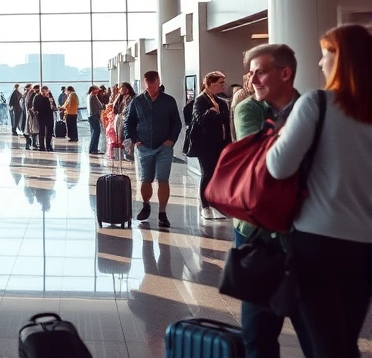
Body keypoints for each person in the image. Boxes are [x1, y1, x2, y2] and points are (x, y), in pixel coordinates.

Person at [267, 26, 372, 358]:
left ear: (342, 60)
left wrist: (281, 136)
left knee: (327, 344)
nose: (319, 62)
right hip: (366, 244)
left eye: (326, 53)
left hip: (318, 240)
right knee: (344, 341)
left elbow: (279, 167)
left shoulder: (317, 103)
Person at [232, 43, 306, 358]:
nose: (252, 80)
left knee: (317, 333)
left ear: (285, 73)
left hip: (303, 234)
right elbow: (263, 165)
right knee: (257, 333)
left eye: (259, 72)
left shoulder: (310, 108)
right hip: (257, 233)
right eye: (250, 73)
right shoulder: (248, 109)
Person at [124, 71, 181, 228]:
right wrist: (136, 141)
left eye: (153, 85)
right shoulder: (137, 101)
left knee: (163, 179)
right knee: (146, 179)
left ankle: (162, 212)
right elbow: (129, 122)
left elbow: (177, 122)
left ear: (158, 82)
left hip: (164, 147)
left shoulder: (168, 101)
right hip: (144, 147)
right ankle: (146, 204)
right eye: (147, 85)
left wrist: (171, 140)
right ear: (144, 84)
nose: (150, 88)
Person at [189, 71, 230, 221]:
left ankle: (215, 205)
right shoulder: (201, 100)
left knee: (217, 175)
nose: (223, 85)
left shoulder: (221, 101)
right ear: (211, 84)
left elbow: (225, 119)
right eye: (220, 82)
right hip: (205, 145)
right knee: (207, 174)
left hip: (221, 143)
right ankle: (205, 206)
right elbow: (201, 120)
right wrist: (212, 113)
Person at [32, 86, 56, 152]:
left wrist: (50, 101)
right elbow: (35, 106)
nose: (44, 92)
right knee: (41, 131)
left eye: (46, 91)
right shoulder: (37, 97)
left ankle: (48, 145)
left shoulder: (50, 96)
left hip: (49, 116)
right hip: (41, 116)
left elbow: (54, 106)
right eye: (43, 91)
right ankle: (42, 146)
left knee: (49, 131)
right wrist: (36, 112)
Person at [87, 86, 104, 155]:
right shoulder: (93, 96)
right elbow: (100, 106)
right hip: (94, 116)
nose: (98, 91)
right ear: (93, 90)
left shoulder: (89, 96)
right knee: (96, 132)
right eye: (96, 89)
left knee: (94, 132)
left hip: (91, 116)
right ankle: (93, 149)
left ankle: (93, 148)